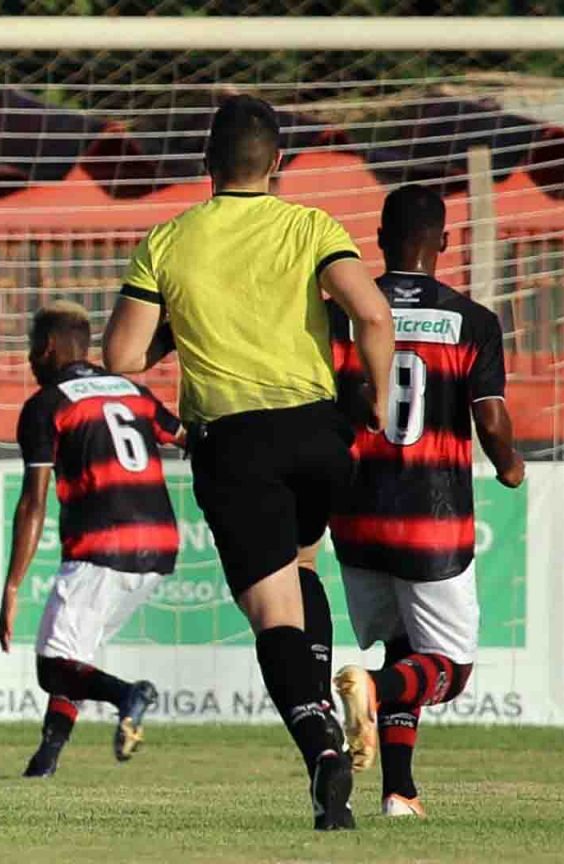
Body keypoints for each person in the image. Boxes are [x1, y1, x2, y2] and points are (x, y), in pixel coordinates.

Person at [102, 95, 395, 830]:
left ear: (206, 163)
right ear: (278, 166)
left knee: (272, 618)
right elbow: (372, 313)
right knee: (301, 571)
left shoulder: (169, 241)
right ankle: (329, 710)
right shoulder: (311, 224)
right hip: (320, 435)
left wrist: (178, 334)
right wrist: (383, 396)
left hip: (237, 442)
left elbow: (123, 357)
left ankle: (320, 746)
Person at [327, 184, 525, 818]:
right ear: (445, 242)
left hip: (356, 516)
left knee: (402, 648)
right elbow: (490, 422)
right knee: (449, 668)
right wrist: (511, 465)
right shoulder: (473, 321)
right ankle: (375, 691)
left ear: (379, 241)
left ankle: (399, 791)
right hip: (431, 524)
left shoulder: (347, 313)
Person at [0, 302, 178, 777]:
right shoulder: (133, 391)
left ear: (50, 347)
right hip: (160, 547)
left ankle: (128, 695)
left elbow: (32, 503)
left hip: (103, 547)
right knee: (75, 657)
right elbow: (184, 436)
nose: (30, 360)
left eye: (33, 348)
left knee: (53, 665)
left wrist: (13, 586)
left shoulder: (47, 404)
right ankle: (45, 761)